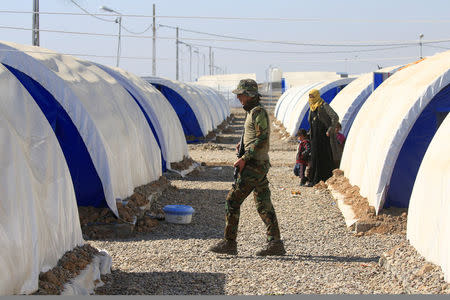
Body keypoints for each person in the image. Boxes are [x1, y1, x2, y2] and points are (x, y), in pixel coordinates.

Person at [209, 79, 286, 256]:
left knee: (232, 200)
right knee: (263, 203)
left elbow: (261, 138)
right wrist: (242, 144)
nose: (238, 98)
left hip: (253, 165)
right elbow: (253, 136)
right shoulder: (251, 111)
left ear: (250, 95)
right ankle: (275, 243)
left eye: (241, 95)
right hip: (258, 164)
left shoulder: (257, 112)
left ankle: (229, 243)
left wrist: (244, 157)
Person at [307, 89, 339, 186]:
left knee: (323, 156)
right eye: (310, 97)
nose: (311, 98)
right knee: (314, 157)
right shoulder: (311, 108)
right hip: (314, 136)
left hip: (323, 136)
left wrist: (330, 130)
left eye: (312, 96)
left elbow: (335, 117)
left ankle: (323, 178)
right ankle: (314, 179)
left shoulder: (323, 105)